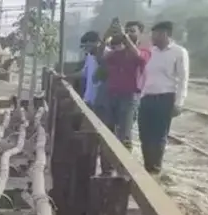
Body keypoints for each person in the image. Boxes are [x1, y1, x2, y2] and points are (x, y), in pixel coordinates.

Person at [139, 21, 189, 175]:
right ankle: (148, 166)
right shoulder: (149, 52)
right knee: (144, 134)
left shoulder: (179, 52)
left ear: (165, 34)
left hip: (165, 98)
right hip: (147, 98)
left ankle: (155, 168)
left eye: (155, 34)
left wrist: (179, 103)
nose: (152, 37)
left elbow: (183, 79)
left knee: (159, 135)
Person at [97, 20, 150, 151]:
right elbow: (100, 56)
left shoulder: (144, 51)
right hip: (111, 95)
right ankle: (107, 170)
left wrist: (124, 37)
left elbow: (139, 57)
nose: (128, 34)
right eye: (127, 31)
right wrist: (105, 37)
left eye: (132, 31)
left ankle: (123, 169)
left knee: (125, 134)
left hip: (129, 96)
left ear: (140, 34)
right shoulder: (116, 52)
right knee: (107, 132)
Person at [79, 31, 105, 112]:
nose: (85, 49)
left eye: (87, 46)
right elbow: (84, 73)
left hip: (101, 102)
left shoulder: (106, 55)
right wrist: (66, 76)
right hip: (89, 99)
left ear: (97, 43)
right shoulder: (90, 56)